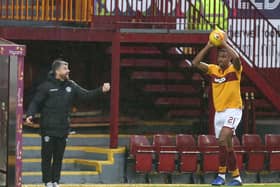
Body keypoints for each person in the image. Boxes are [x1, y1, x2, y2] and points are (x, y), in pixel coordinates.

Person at [25, 59, 110, 187]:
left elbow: (86, 95)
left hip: (63, 129)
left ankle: (55, 182)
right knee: (47, 157)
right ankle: (47, 182)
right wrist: (30, 114)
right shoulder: (46, 86)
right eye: (65, 68)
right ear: (57, 71)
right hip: (48, 128)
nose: (68, 70)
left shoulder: (71, 85)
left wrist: (100, 90)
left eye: (68, 68)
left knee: (58, 158)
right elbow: (36, 102)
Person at [192, 34, 243, 186]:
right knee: (226, 146)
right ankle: (236, 177)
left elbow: (238, 59)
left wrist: (225, 44)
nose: (221, 59)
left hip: (234, 110)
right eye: (219, 57)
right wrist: (208, 45)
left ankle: (221, 175)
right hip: (219, 112)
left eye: (224, 57)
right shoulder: (213, 70)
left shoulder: (235, 69)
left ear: (229, 59)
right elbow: (195, 63)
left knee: (224, 136)